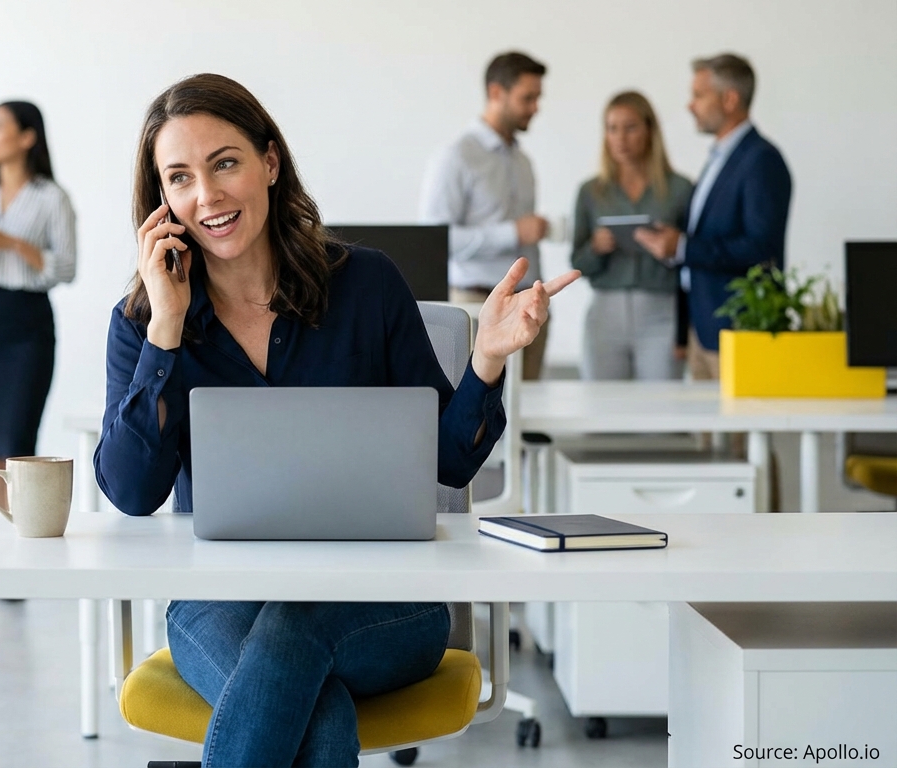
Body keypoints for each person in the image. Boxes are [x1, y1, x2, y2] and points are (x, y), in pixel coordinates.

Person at [94, 73, 578, 767]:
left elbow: (448, 463)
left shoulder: (367, 283)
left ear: (269, 161)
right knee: (316, 716)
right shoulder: (142, 322)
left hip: (383, 603)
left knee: (294, 635)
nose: (207, 196)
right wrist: (167, 326)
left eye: (225, 162)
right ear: (162, 202)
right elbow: (132, 492)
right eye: (180, 178)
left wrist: (489, 360)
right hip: (222, 603)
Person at [633, 53, 792, 380]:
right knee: (706, 432)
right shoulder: (721, 158)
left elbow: (762, 249)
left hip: (737, 328)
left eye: (698, 95)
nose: (690, 106)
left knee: (736, 431)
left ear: (730, 99)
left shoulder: (761, 160)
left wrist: (682, 248)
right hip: (703, 327)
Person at [0, 102, 76, 508]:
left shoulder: (52, 198)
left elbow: (66, 266)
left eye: (0, 127)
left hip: (27, 323)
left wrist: (9, 243)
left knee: (18, 439)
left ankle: (21, 529)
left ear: (27, 137)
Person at [420, 51, 552, 379]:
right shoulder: (455, 157)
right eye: (527, 98)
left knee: (527, 414)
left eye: (538, 98)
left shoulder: (523, 162)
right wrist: (513, 233)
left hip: (526, 305)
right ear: (496, 93)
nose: (536, 107)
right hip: (474, 306)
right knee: (474, 412)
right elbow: (434, 241)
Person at [571, 91, 694, 380]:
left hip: (661, 313)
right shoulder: (591, 192)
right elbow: (578, 263)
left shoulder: (680, 189)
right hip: (605, 314)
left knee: (661, 413)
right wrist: (596, 248)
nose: (620, 138)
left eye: (630, 127)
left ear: (650, 130)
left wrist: (670, 247)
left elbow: (692, 259)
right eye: (612, 128)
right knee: (601, 409)